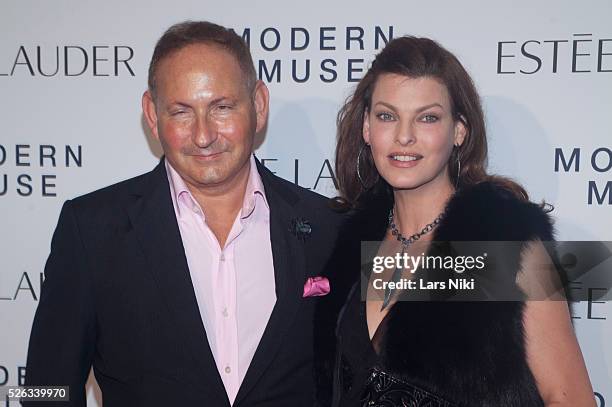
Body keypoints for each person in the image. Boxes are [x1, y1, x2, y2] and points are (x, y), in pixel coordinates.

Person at [24, 21, 342, 407]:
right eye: (181, 112)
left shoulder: (329, 226)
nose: (204, 135)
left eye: (222, 107)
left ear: (258, 104)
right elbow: (43, 390)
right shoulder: (91, 229)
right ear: (152, 114)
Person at [314, 36, 595, 406]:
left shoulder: (506, 242)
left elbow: (569, 397)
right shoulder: (349, 242)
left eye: (427, 117)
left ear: (459, 130)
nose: (404, 136)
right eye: (387, 116)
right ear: (367, 127)